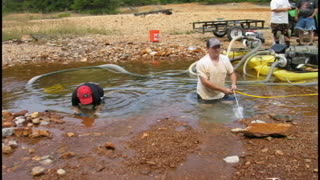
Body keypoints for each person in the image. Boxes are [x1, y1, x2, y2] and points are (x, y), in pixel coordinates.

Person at [196, 38, 237, 103]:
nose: (217, 50)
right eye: (214, 47)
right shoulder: (202, 63)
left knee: (232, 105)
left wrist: (233, 84)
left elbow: (232, 73)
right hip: (205, 97)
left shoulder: (225, 59)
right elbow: (205, 82)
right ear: (207, 49)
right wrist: (223, 90)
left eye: (218, 47)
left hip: (220, 94)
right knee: (207, 112)